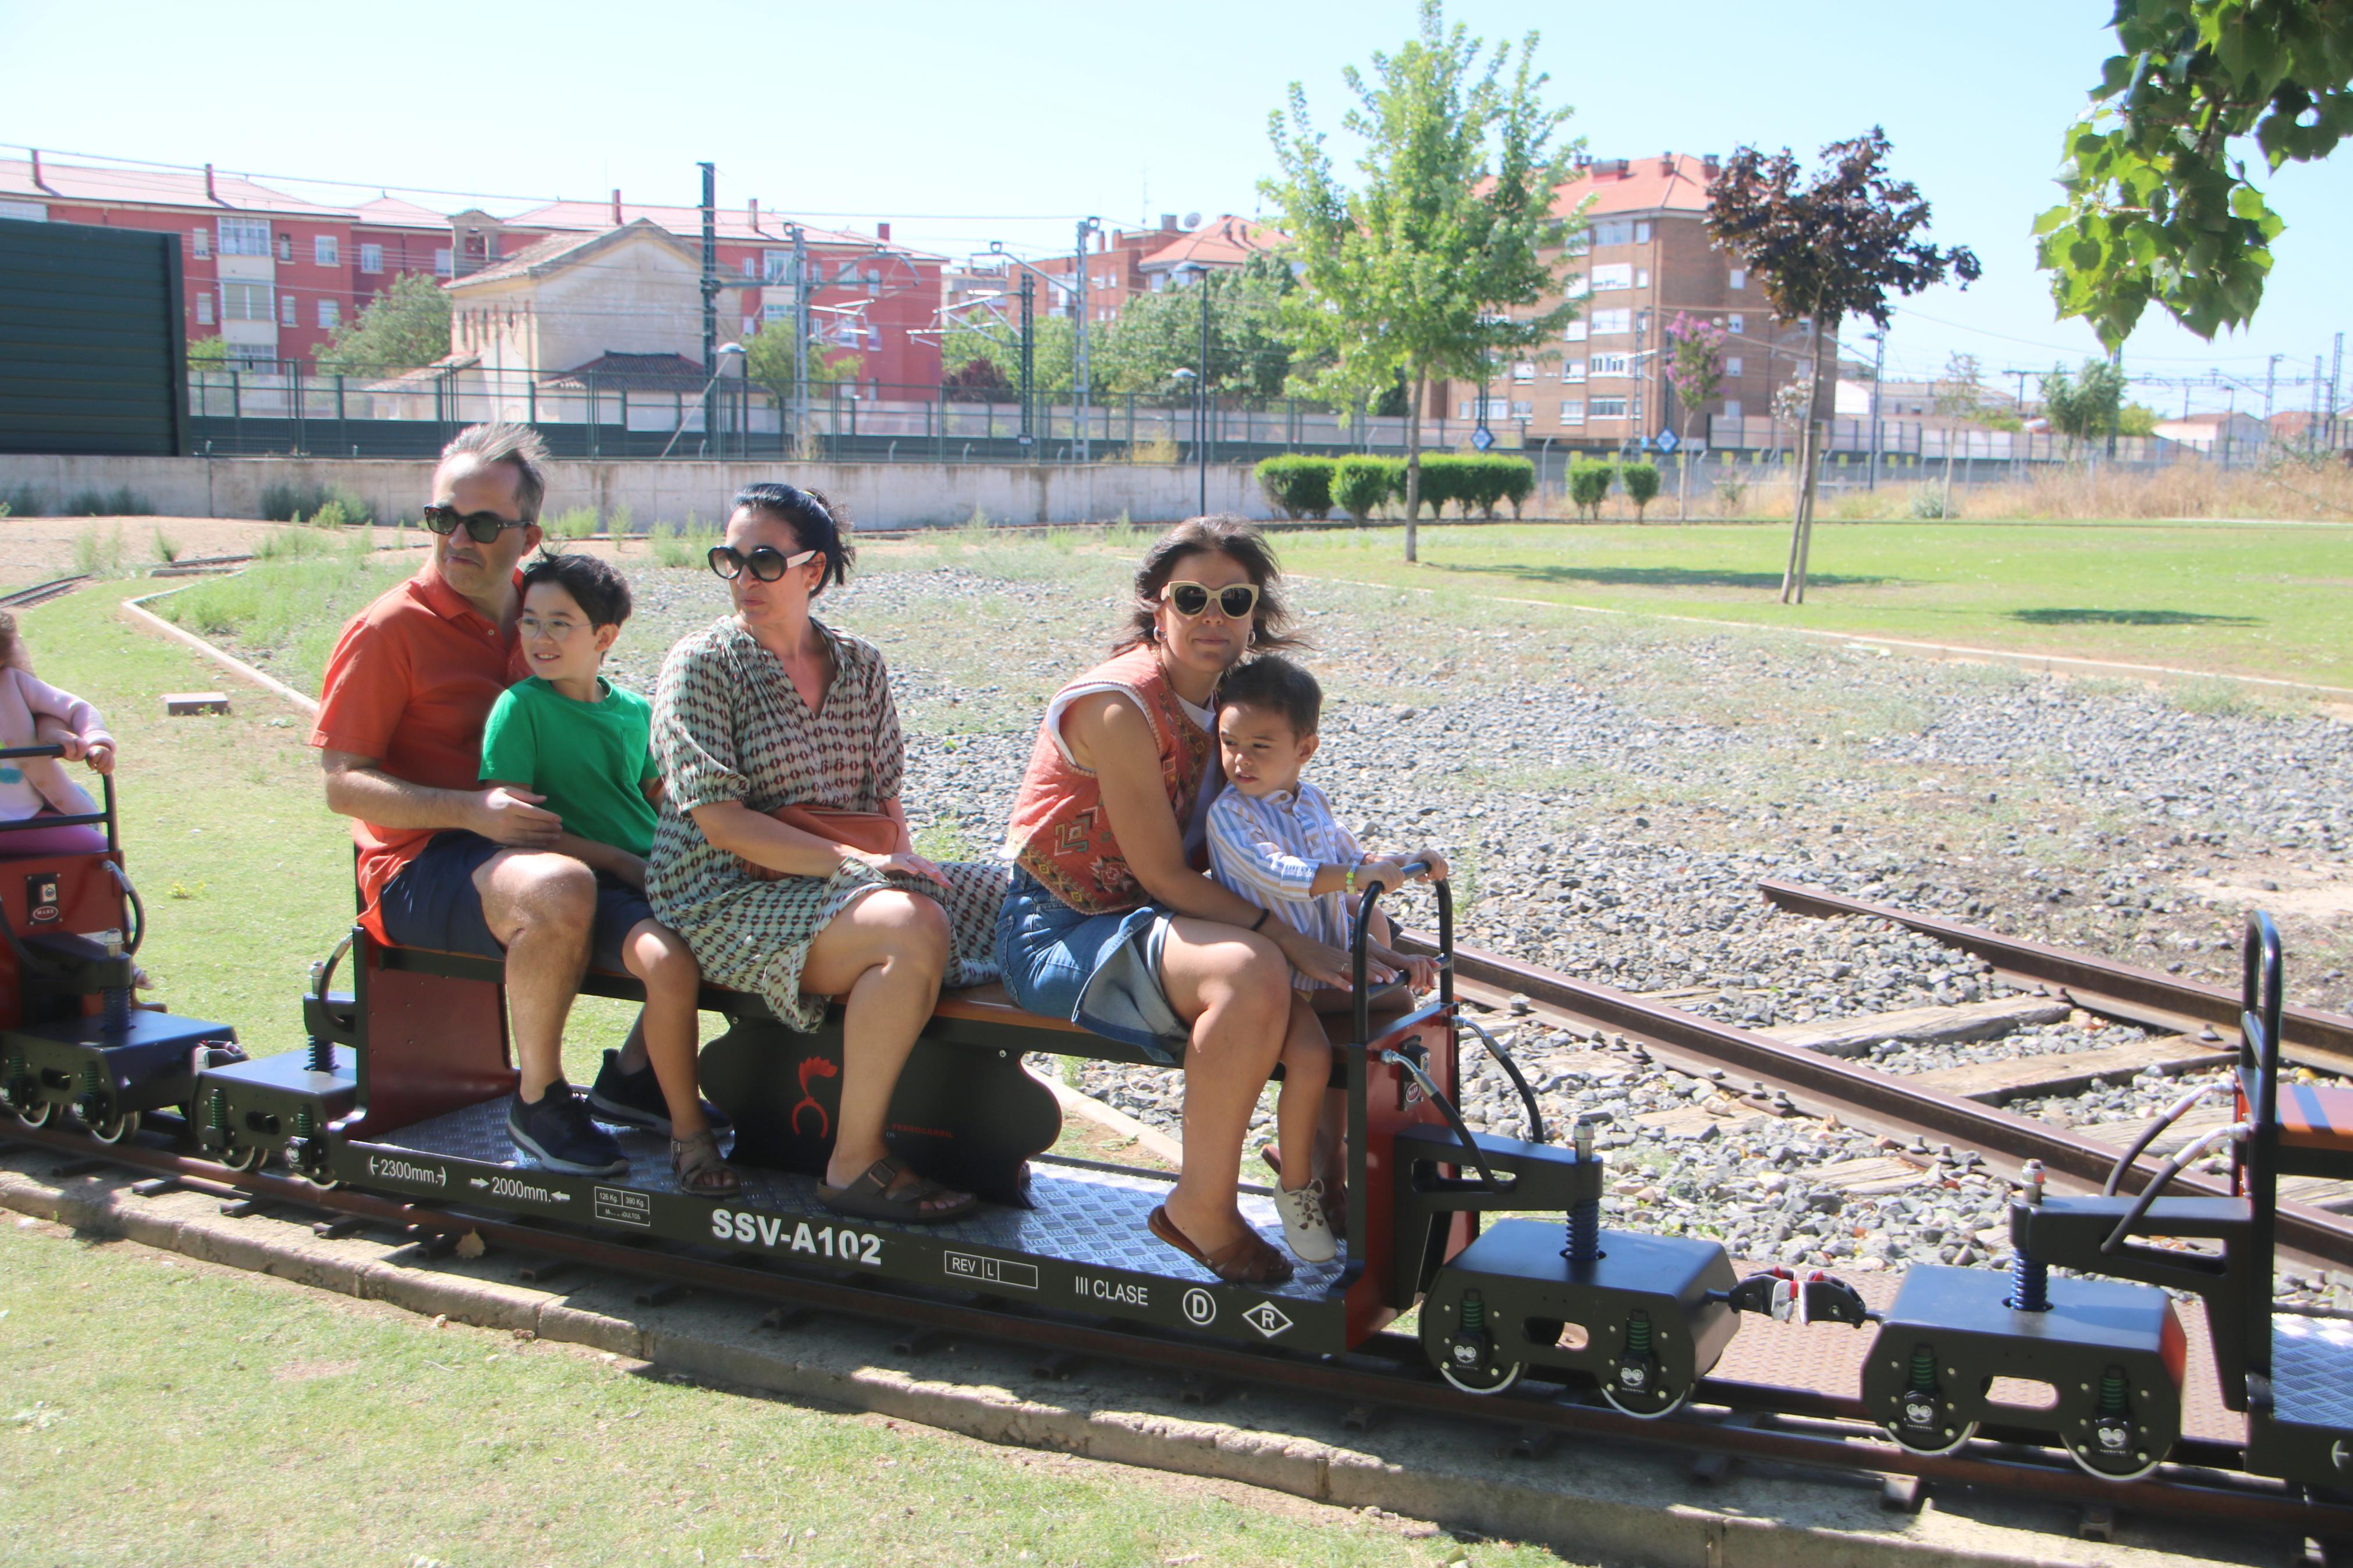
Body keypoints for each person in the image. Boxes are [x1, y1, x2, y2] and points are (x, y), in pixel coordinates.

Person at [313, 422, 690, 1178]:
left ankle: (634, 1078)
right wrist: (467, 810)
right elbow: (340, 782)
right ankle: (540, 1102)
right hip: (422, 859)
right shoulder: (389, 630)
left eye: (481, 523)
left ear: (527, 535)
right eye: (441, 517)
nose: (456, 537)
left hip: (540, 838)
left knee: (708, 879)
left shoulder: (545, 612)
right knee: (557, 884)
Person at [996, 515, 1348, 1286]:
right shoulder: (1120, 706)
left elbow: (1285, 831)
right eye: (1191, 597)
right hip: (1063, 926)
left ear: (1256, 611)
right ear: (1155, 605)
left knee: (1344, 981)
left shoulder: (1241, 704)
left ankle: (1317, 1176)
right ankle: (1201, 1207)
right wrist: (1287, 938)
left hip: (1166, 922)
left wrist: (1360, 925)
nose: (1211, 617)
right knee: (1252, 968)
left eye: (1233, 599)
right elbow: (1162, 875)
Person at [647, 482, 1006, 1224]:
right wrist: (865, 871)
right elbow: (721, 825)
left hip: (838, 879)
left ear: (814, 569)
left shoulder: (861, 665)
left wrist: (903, 865)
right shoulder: (702, 663)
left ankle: (982, 1124)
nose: (745, 578)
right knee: (909, 929)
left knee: (1014, 898)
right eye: (731, 560)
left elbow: (886, 805)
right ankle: (854, 1162)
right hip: (722, 894)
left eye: (764, 561)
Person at [479, 552, 737, 1197]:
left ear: (604, 637)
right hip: (595, 881)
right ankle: (687, 1137)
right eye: (530, 622)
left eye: (560, 623)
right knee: (669, 964)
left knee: (742, 938)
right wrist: (622, 861)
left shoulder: (634, 711)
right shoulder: (520, 709)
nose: (540, 638)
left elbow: (658, 797)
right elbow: (517, 826)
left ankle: (631, 1077)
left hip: (654, 874)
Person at [1206, 653, 1446, 1263]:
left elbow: (1350, 871)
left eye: (1261, 745)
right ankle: (1300, 1186)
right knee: (1311, 1057)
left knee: (1393, 1003)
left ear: (1304, 749)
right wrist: (1353, 877)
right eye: (1230, 741)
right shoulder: (1229, 815)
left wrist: (1401, 887)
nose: (1240, 760)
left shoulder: (1310, 803)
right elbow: (1279, 874)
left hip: (1323, 962)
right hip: (1273, 975)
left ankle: (1330, 1157)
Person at [0, 608, 117, 856]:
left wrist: (97, 742)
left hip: (25, 818)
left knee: (96, 853)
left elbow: (76, 709)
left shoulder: (13, 684)